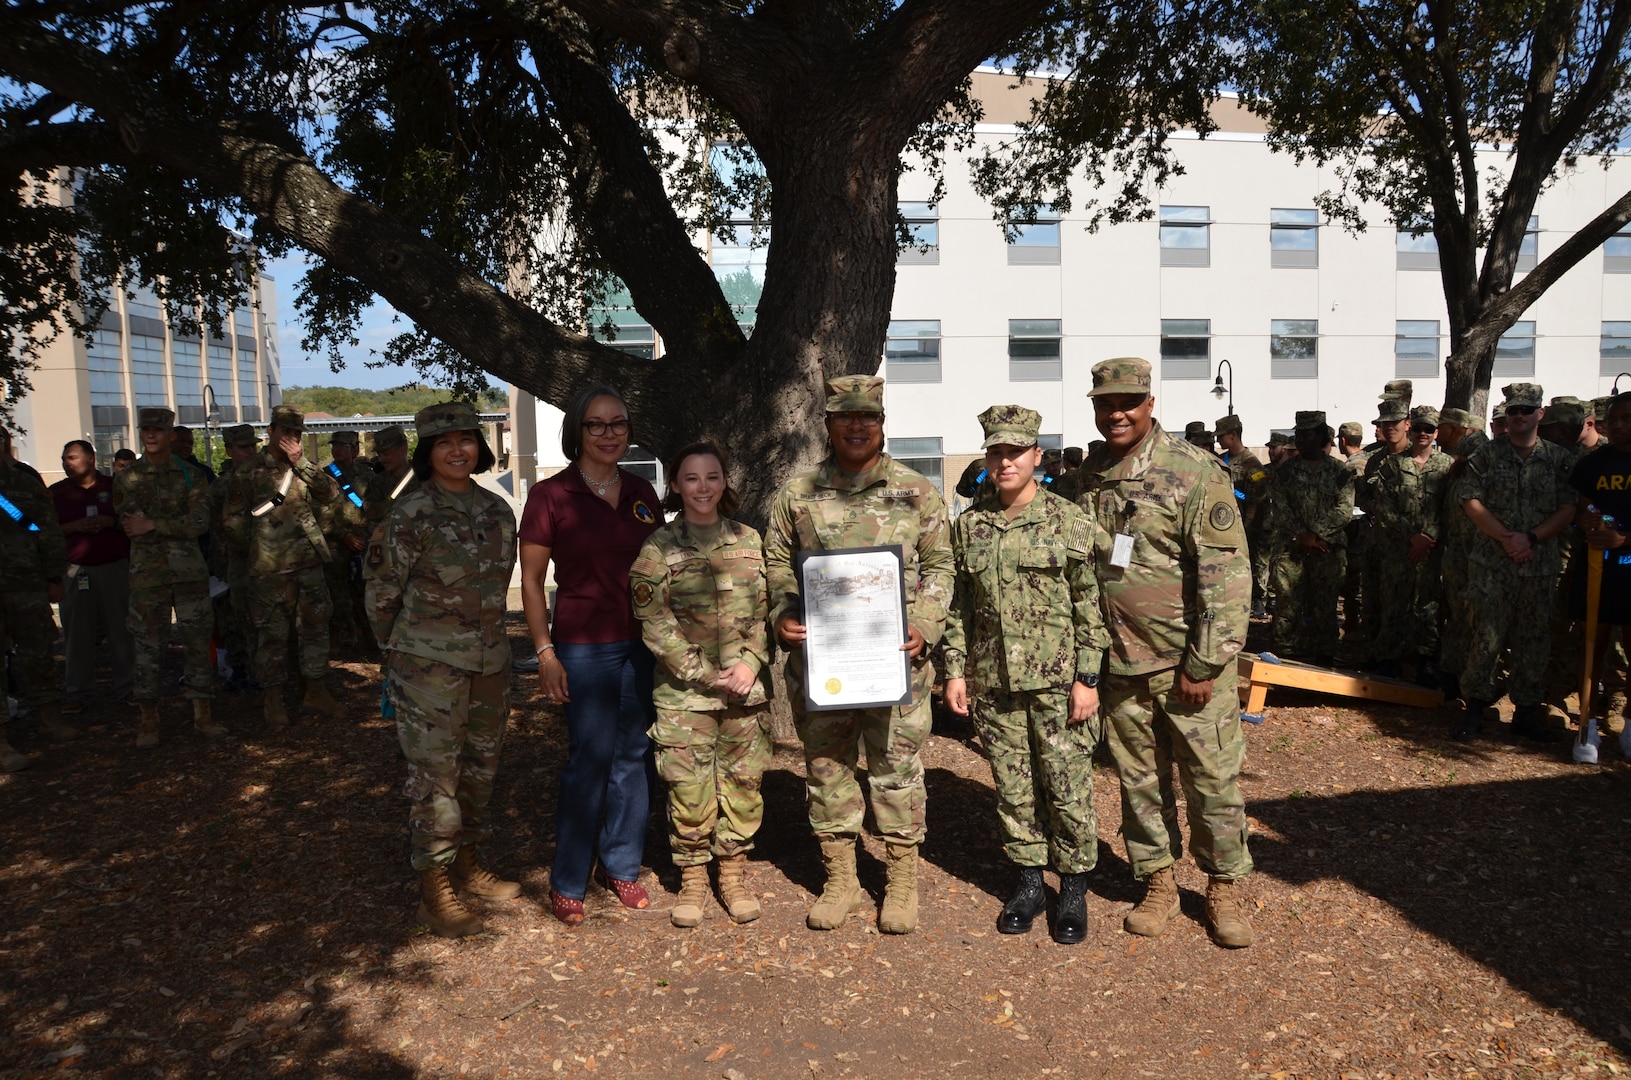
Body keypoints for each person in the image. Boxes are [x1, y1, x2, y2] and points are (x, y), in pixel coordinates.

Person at [765, 375, 954, 935]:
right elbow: (777, 561)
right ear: (827, 423)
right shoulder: (797, 494)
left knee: (896, 770)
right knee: (827, 770)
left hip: (896, 662)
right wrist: (782, 611)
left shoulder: (916, 492)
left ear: (881, 422)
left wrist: (925, 623)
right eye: (844, 416)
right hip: (827, 668)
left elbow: (943, 566)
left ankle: (899, 880)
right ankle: (842, 880)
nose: (855, 425)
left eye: (866, 416)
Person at [1076, 357, 1254, 949]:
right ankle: (1157, 882)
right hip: (1120, 664)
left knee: (1212, 781)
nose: (1116, 413)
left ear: (1150, 402)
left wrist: (1204, 663)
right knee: (1140, 781)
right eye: (1105, 403)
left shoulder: (1193, 471)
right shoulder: (1093, 470)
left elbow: (1225, 576)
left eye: (1127, 401)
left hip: (1187, 666)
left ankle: (1223, 886)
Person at [942, 405, 1106, 944]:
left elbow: (1090, 603)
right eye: (996, 452)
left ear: (1037, 456)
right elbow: (959, 608)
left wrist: (1089, 678)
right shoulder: (970, 527)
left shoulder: (1070, 519)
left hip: (1060, 683)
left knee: (1068, 787)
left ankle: (1074, 889)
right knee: (1014, 790)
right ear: (987, 458)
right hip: (995, 684)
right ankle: (1030, 884)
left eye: (1016, 451)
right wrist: (955, 671)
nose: (1006, 461)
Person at [366, 401, 519, 937]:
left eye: (466, 440)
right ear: (427, 452)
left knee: (479, 771)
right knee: (436, 779)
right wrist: (400, 659)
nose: (458, 450)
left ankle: (465, 864)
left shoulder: (496, 510)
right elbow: (382, 596)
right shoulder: (408, 513)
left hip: (489, 663)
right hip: (427, 670)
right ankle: (434, 890)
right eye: (444, 442)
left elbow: (497, 588)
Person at [519, 386, 663, 926]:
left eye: (618, 424)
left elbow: (661, 569)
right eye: (596, 425)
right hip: (583, 649)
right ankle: (569, 879)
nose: (609, 434)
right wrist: (545, 652)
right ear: (576, 431)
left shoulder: (641, 490)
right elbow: (532, 583)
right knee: (588, 761)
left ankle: (622, 866)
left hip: (643, 648)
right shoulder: (550, 497)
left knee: (634, 758)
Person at [630, 441, 773, 928]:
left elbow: (769, 610)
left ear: (725, 481)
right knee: (687, 789)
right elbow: (653, 621)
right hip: (684, 695)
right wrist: (705, 673)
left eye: (712, 476)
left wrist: (752, 662)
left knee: (743, 785)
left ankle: (732, 876)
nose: (703, 487)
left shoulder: (751, 541)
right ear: (674, 485)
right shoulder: (658, 548)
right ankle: (692, 879)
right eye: (691, 479)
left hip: (745, 691)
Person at [1455, 384, 1577, 741]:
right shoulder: (1486, 456)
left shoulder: (1559, 459)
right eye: (1513, 411)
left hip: (1539, 565)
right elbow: (1471, 502)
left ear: (1540, 414)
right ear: (1506, 417)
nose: (1519, 416)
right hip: (1493, 566)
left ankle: (1526, 711)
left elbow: (1568, 508)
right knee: (1485, 638)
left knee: (1533, 639)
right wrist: (1508, 539)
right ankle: (1474, 707)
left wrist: (1532, 538)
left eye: (1526, 409)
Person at [113, 407, 224, 747]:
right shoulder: (127, 478)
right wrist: (169, 525)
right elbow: (132, 525)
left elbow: (201, 522)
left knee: (196, 643)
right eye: (146, 429)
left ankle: (202, 715)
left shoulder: (193, 475)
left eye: (158, 430)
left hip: (189, 574)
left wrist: (154, 525)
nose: (151, 435)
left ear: (170, 434)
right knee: (148, 647)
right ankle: (148, 720)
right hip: (148, 576)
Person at [229, 404, 343, 730]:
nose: (290, 438)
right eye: (285, 431)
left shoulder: (305, 467)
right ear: (271, 430)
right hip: (270, 568)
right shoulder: (249, 471)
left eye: (296, 433)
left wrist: (301, 463)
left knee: (316, 627)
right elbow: (233, 523)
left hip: (308, 563)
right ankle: (273, 697)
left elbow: (331, 495)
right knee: (272, 635)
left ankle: (316, 691)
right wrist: (259, 551)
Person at [1360, 404, 1452, 683]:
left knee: (1428, 605)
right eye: (1419, 428)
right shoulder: (1393, 465)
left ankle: (1425, 659)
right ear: (1411, 429)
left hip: (1432, 551)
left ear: (1436, 432)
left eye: (1429, 429)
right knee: (1393, 602)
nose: (1423, 433)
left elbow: (1450, 508)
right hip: (1398, 549)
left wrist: (1428, 538)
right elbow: (1386, 508)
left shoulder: (1448, 466)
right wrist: (1412, 535)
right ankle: (1390, 659)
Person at [0, 424, 69, 768]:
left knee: (39, 652)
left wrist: (54, 574)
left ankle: (49, 717)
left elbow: (44, 529)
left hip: (25, 584)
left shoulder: (24, 481)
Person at [51, 440, 134, 711]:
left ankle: (127, 686)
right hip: (76, 570)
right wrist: (74, 527)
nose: (67, 464)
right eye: (64, 459)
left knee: (121, 630)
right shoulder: (57, 493)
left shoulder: (115, 487)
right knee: (77, 633)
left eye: (73, 458)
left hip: (114, 568)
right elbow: (39, 530)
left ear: (91, 458)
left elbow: (136, 520)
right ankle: (78, 690)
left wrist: (110, 522)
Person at [1570, 393, 1631, 757]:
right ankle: (1587, 726)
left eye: (1627, 418)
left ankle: (1628, 728)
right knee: (1593, 644)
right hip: (1598, 568)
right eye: (1614, 419)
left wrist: (1625, 537)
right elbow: (1581, 507)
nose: (1619, 425)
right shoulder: (1592, 465)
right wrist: (1587, 519)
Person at [1267, 412, 1354, 667]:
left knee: (1325, 607)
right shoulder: (1285, 473)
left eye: (1308, 434)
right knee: (1287, 607)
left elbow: (1344, 510)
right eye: (1299, 434)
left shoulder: (1340, 472)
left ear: (1323, 436)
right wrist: (1301, 536)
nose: (1301, 440)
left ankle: (1324, 659)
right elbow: (1280, 509)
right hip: (1290, 550)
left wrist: (1315, 534)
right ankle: (1284, 659)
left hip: (1326, 550)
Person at [210, 424, 262, 692]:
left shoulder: (265, 479)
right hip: (233, 564)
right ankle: (240, 671)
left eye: (253, 446)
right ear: (230, 451)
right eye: (244, 448)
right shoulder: (222, 486)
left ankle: (260, 673)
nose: (250, 451)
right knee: (234, 621)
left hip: (264, 562)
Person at [321, 430, 370, 649]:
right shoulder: (323, 477)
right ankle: (342, 637)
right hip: (334, 544)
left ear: (355, 449)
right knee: (336, 593)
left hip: (363, 541)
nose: (337, 449)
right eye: (335, 445)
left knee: (364, 590)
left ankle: (366, 636)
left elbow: (375, 510)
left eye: (343, 446)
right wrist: (344, 535)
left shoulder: (368, 476)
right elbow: (317, 514)